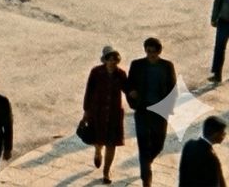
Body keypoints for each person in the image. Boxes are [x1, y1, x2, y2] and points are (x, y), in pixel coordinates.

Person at [130, 37, 180, 187]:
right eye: (148, 51)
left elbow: (173, 88)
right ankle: (146, 177)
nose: (151, 54)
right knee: (143, 144)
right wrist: (131, 94)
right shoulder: (137, 65)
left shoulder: (167, 66)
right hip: (143, 110)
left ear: (159, 51)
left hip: (160, 111)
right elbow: (129, 84)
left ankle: (147, 162)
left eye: (154, 51)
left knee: (159, 144)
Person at [85, 46, 128, 184]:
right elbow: (89, 92)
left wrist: (135, 95)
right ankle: (98, 152)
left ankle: (106, 171)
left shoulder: (121, 74)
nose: (112, 62)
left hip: (114, 114)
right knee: (98, 140)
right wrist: (86, 111)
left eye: (115, 59)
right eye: (109, 59)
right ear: (105, 60)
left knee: (112, 143)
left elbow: (127, 89)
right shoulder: (96, 72)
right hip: (97, 112)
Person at [180, 116, 226, 187]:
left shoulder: (189, 145)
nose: (224, 135)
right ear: (215, 134)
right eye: (222, 133)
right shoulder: (211, 158)